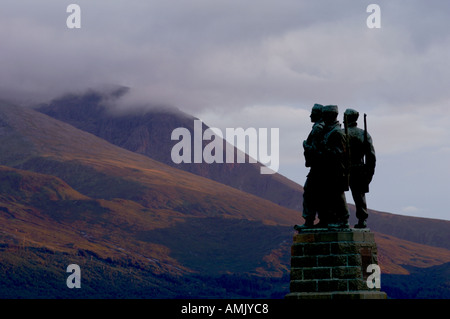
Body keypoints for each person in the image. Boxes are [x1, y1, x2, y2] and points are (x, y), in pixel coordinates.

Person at [343, 109, 376, 228]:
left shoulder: (342, 133)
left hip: (345, 169)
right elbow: (371, 156)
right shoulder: (364, 134)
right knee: (359, 196)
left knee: (340, 194)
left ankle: (343, 219)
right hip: (360, 169)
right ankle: (362, 219)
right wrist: (369, 173)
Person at [319, 105, 350, 228]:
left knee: (338, 195)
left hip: (336, 169)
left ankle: (343, 219)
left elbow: (340, 153)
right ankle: (335, 218)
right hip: (330, 169)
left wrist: (325, 149)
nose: (323, 118)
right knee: (332, 195)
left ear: (330, 116)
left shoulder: (336, 132)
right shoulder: (330, 131)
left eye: (325, 115)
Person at [295, 104, 325, 230]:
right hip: (320, 168)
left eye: (312, 112)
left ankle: (309, 221)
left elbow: (317, 148)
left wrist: (306, 147)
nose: (310, 115)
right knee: (316, 194)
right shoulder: (320, 127)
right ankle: (317, 220)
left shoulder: (318, 128)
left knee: (310, 193)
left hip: (318, 168)